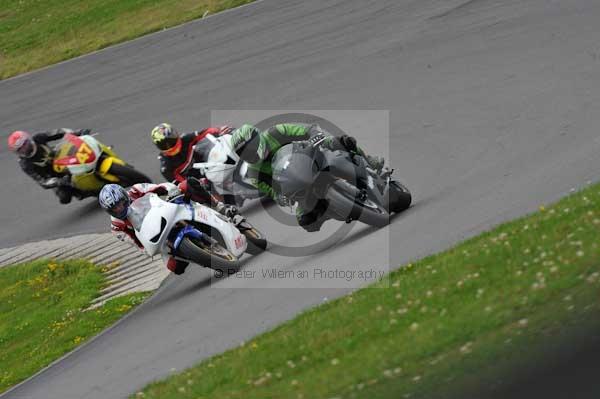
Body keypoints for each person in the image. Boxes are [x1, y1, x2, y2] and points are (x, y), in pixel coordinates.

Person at [230, 123, 385, 232]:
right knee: (306, 222)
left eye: (249, 148)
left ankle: (369, 161)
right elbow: (272, 191)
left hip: (311, 157)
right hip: (299, 184)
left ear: (257, 138)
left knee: (341, 141)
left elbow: (307, 129)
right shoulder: (253, 173)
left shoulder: (275, 132)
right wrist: (280, 197)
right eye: (243, 153)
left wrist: (315, 136)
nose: (248, 154)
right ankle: (336, 208)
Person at [99, 182, 238, 276]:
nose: (119, 209)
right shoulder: (117, 227)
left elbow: (161, 187)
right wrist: (151, 250)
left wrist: (171, 190)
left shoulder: (136, 190)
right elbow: (138, 244)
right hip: (156, 234)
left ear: (124, 196)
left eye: (120, 204)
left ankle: (220, 207)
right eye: (114, 208)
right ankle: (206, 258)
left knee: (187, 185)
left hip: (165, 210)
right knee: (175, 268)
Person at [7, 128, 92, 204]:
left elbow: (59, 132)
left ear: (28, 139)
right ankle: (81, 192)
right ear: (17, 152)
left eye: (25, 144)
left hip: (60, 158)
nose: (24, 148)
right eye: (21, 148)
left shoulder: (38, 138)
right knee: (64, 198)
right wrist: (59, 181)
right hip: (53, 176)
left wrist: (77, 132)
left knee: (82, 151)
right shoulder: (25, 164)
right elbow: (42, 181)